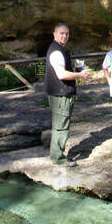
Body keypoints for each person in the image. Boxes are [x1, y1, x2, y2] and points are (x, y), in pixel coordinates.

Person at [43, 23, 84, 164]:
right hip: (61, 95)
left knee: (59, 125)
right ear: (54, 34)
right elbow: (61, 74)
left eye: (67, 33)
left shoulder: (59, 49)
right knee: (61, 127)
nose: (64, 36)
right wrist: (81, 75)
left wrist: (76, 71)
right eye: (61, 33)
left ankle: (56, 156)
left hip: (59, 94)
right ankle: (58, 159)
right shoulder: (56, 52)